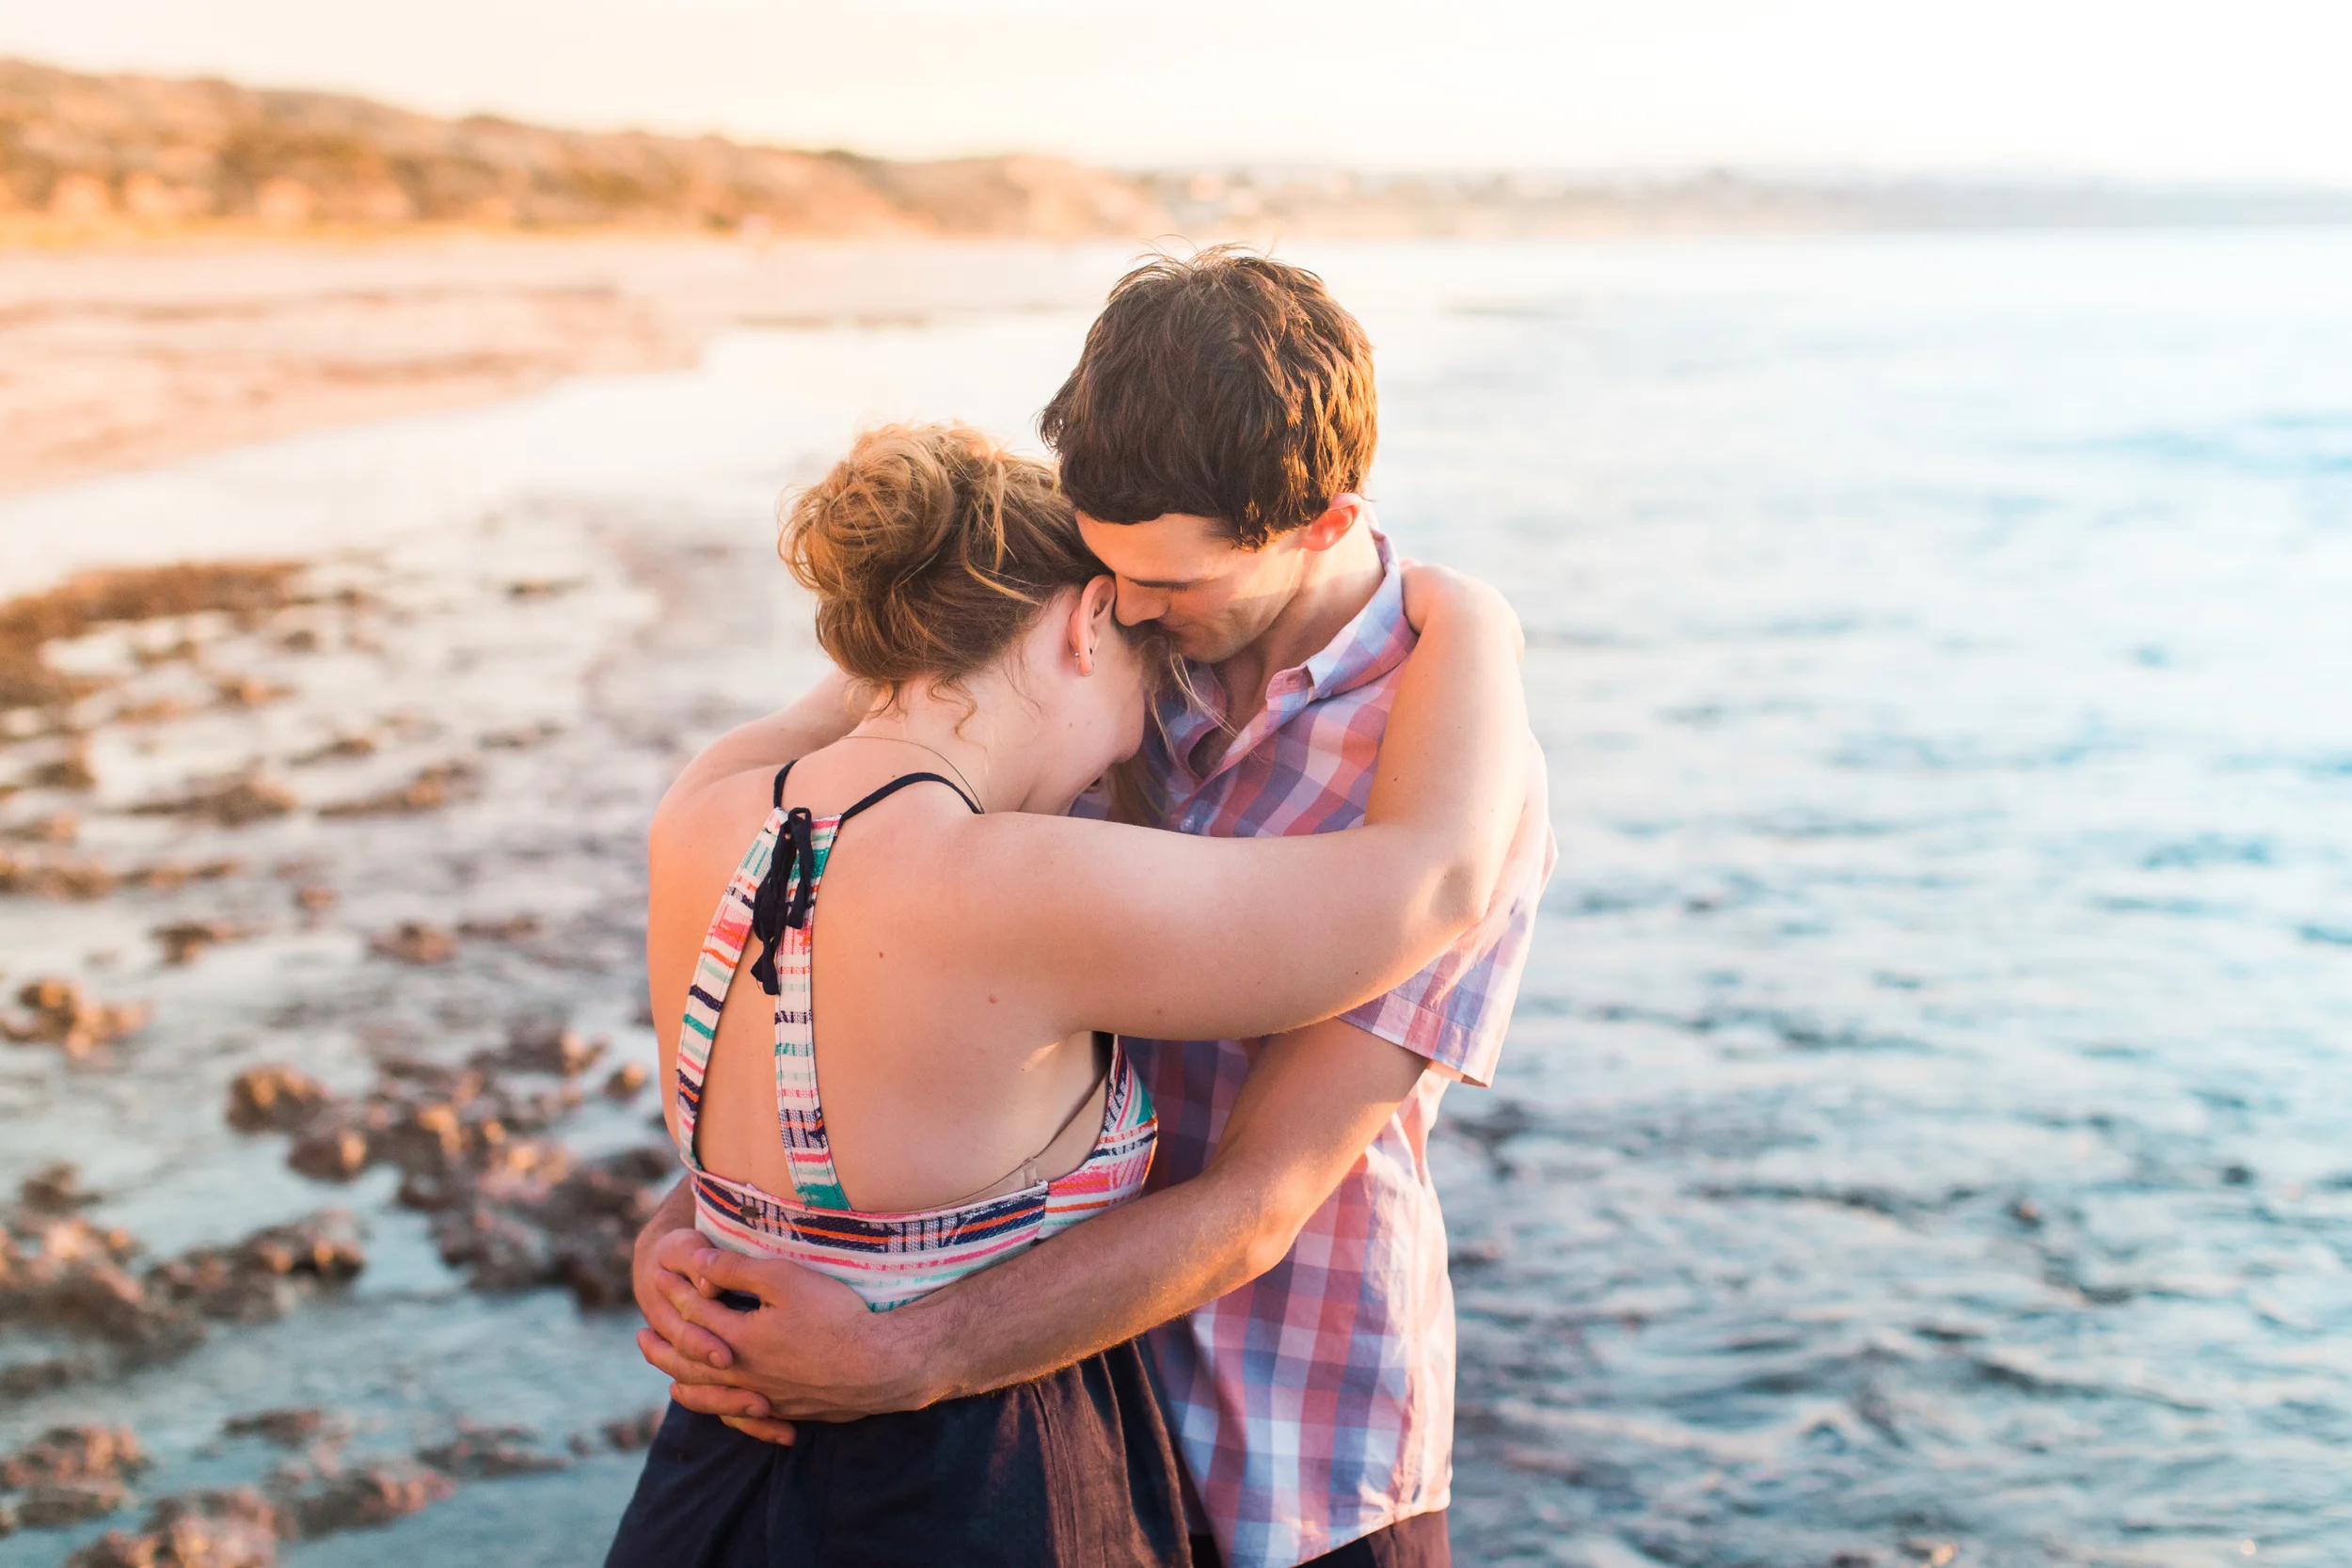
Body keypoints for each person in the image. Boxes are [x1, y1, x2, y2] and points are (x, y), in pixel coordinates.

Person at [635, 250, 1557, 1568]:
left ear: (1321, 520)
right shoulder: (1082, 653)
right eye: (1105, 575)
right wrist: (706, 1223)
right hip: (1023, 1425)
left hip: (1281, 1447)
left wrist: (904, 1349)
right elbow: (862, 971)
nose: (1121, 610)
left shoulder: (1448, 755)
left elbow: (1264, 1195)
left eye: (1170, 588)